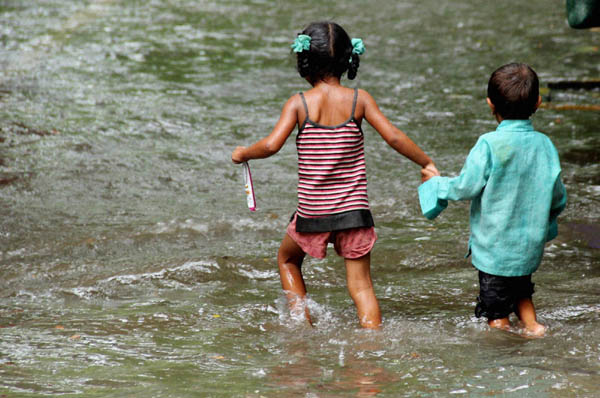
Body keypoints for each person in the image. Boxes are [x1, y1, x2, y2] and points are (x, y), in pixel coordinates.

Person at [231, 21, 439, 329]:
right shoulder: (360, 100)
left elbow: (272, 145)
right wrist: (427, 162)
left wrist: (245, 152)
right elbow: (394, 137)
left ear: (304, 61)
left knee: (287, 260)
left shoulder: (299, 103)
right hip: (354, 213)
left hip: (313, 213)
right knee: (362, 286)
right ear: (347, 60)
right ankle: (372, 343)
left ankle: (302, 326)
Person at [419, 63, 567, 337]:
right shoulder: (545, 145)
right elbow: (558, 196)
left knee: (496, 312)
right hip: (528, 248)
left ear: (490, 104)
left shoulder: (488, 144)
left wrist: (436, 185)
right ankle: (534, 327)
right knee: (522, 289)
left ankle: (504, 343)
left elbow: (465, 187)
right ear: (538, 102)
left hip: (495, 252)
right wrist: (547, 225)